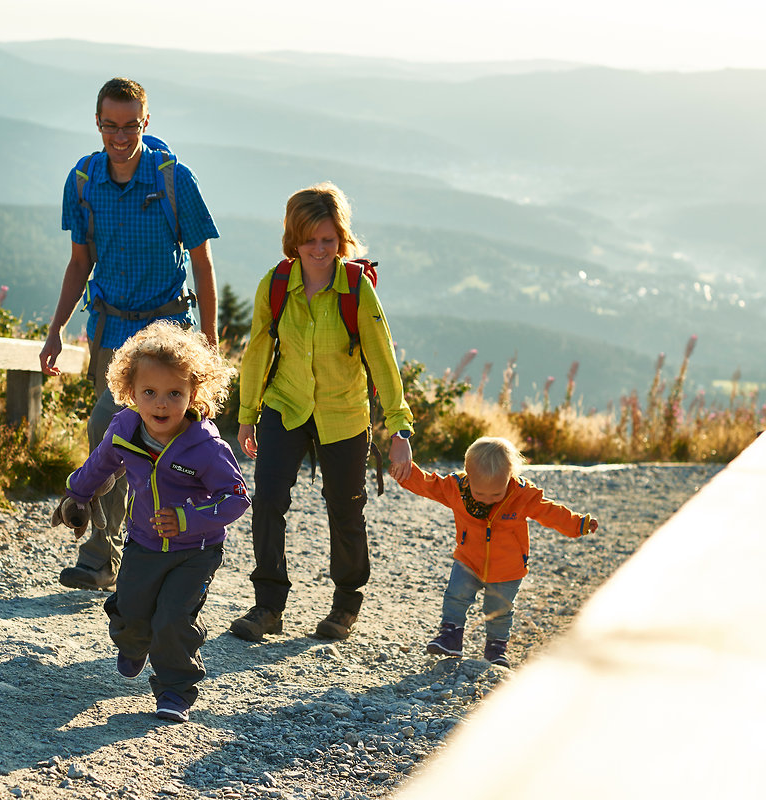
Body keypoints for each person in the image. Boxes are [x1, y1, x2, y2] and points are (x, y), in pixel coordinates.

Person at [40, 77, 221, 592]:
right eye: (110, 125)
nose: (120, 136)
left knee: (137, 434)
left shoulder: (172, 178)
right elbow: (79, 263)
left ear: (146, 122)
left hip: (165, 332)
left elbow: (203, 262)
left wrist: (207, 338)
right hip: (107, 331)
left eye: (130, 125)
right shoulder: (82, 180)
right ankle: (107, 554)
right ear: (98, 123)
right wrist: (56, 331)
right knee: (115, 436)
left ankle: (142, 551)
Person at [229, 182, 414, 643]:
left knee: (345, 509)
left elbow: (382, 359)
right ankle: (268, 605)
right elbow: (256, 353)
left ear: (341, 240)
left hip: (343, 412)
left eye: (328, 240)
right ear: (294, 239)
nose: (318, 249)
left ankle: (346, 604)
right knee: (268, 501)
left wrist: (400, 427)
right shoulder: (275, 285)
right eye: (309, 240)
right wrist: (247, 414)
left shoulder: (356, 289)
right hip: (285, 403)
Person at [53, 321, 249, 723]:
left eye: (175, 394)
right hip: (142, 543)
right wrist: (77, 494)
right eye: (150, 393)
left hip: (194, 551)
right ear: (130, 393)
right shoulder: (125, 428)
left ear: (195, 393)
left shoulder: (207, 448)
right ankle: (133, 640)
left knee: (173, 619)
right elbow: (100, 464)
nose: (162, 404)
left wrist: (187, 519)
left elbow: (236, 498)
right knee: (131, 612)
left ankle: (176, 690)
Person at [395, 436, 599, 667]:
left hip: (508, 568)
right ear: (468, 476)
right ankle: (450, 635)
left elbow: (550, 512)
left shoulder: (522, 495)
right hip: (468, 559)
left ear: (510, 478)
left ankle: (496, 647)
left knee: (499, 610)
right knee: (456, 595)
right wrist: (405, 472)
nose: (488, 500)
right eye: (480, 494)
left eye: (496, 494)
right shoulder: (456, 489)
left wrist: (578, 524)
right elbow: (428, 484)